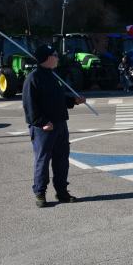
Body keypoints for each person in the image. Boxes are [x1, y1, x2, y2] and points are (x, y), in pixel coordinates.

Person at [22, 43, 86, 208]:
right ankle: (40, 193)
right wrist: (42, 122)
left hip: (60, 124)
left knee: (62, 160)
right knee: (42, 160)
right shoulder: (33, 78)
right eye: (55, 55)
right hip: (44, 128)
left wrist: (73, 101)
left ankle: (62, 191)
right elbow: (29, 106)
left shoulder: (53, 76)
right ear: (46, 58)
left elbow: (58, 99)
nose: (57, 57)